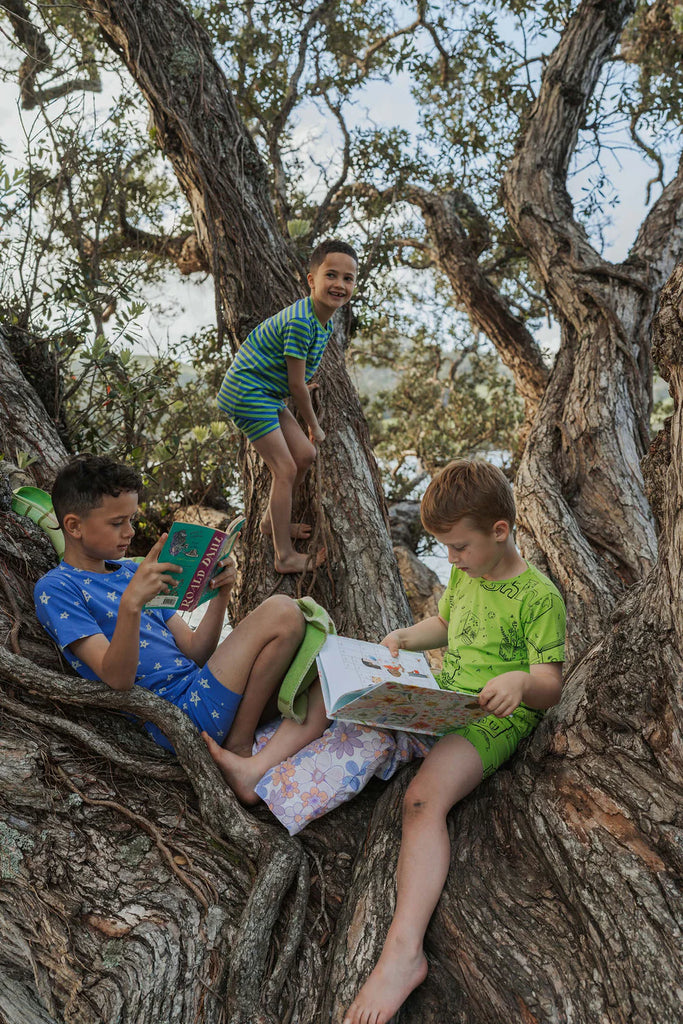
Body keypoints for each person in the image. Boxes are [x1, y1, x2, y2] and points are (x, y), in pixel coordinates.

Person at [343, 459, 566, 1024]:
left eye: (459, 547)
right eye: (443, 548)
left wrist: (519, 683)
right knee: (348, 717)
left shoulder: (538, 597)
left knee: (422, 801)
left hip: (491, 720)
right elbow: (444, 626)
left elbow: (550, 684)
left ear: (501, 531)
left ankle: (403, 953)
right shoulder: (466, 575)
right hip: (442, 699)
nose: (451, 559)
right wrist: (403, 639)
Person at [33, 455, 330, 774]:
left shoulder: (132, 571)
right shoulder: (58, 588)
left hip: (203, 689)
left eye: (131, 520)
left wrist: (221, 595)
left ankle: (249, 757)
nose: (130, 532)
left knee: (328, 684)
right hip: (177, 715)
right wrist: (132, 603)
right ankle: (240, 747)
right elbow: (117, 680)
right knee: (283, 610)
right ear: (74, 526)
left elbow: (196, 650)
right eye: (117, 522)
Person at [216, 238, 358, 574]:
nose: (339, 284)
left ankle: (270, 522)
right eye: (331, 275)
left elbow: (295, 375)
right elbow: (296, 386)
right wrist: (314, 424)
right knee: (286, 469)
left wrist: (296, 386)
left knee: (305, 456)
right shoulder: (300, 321)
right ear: (312, 279)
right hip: (248, 392)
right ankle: (285, 556)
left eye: (348, 278)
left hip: (267, 391)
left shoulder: (323, 321)